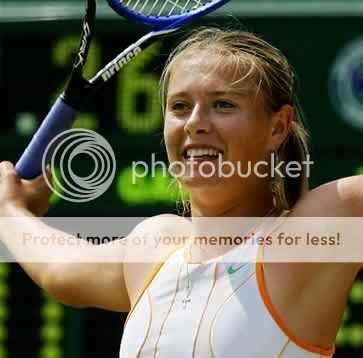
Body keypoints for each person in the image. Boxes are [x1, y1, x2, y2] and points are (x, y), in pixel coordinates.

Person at [0, 27, 362, 357]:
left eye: (223, 104)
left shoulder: (312, 235)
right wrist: (11, 211)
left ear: (278, 127)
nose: (195, 123)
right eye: (180, 107)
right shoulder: (157, 244)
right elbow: (60, 269)